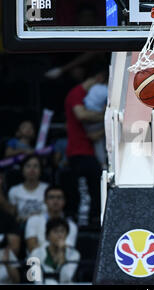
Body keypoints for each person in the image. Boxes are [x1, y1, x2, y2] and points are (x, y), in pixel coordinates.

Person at [64, 67, 105, 229]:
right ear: (99, 77)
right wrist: (106, 115)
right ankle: (82, 225)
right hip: (79, 152)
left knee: (95, 192)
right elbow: (81, 115)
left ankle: (92, 223)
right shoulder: (77, 94)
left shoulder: (88, 97)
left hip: (91, 151)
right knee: (84, 194)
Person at [25, 186, 78, 254]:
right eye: (51, 197)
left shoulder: (71, 225)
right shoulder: (33, 220)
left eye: (59, 197)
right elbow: (32, 248)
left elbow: (67, 250)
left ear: (64, 201)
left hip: (61, 261)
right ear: (45, 201)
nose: (55, 201)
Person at [28, 218, 80, 284]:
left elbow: (65, 278)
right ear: (47, 235)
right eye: (55, 231)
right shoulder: (35, 254)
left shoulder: (74, 254)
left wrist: (61, 252)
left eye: (62, 231)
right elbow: (37, 280)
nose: (59, 235)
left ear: (67, 235)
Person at [7, 154, 49, 224]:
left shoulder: (47, 189)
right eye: (28, 166)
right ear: (22, 170)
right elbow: (12, 216)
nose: (32, 170)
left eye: (35, 166)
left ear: (41, 170)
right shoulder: (14, 191)